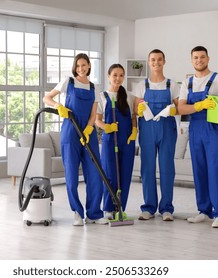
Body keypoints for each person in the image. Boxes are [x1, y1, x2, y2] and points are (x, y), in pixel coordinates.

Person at [43, 53, 108, 226]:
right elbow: (47, 98)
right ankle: (77, 213)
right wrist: (59, 106)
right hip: (70, 131)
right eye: (78, 66)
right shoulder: (68, 82)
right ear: (75, 67)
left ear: (89, 66)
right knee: (71, 173)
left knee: (95, 172)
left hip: (88, 132)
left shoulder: (95, 87)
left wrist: (88, 129)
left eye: (84, 65)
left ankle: (94, 213)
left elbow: (94, 114)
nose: (81, 68)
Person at [178, 46, 218, 228]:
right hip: (195, 129)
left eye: (202, 57)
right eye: (195, 57)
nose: (199, 60)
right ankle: (203, 210)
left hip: (214, 129)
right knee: (200, 170)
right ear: (191, 60)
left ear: (208, 58)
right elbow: (181, 108)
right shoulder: (187, 82)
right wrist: (199, 106)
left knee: (216, 170)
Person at [133, 49, 179, 222]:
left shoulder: (172, 85)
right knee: (147, 168)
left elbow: (179, 107)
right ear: (148, 62)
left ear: (164, 61)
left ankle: (167, 208)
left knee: (167, 168)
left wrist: (173, 110)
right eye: (153, 60)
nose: (156, 62)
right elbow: (135, 109)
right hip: (147, 129)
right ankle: (149, 207)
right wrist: (138, 110)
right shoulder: (141, 85)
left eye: (159, 59)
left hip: (167, 128)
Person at [95, 64, 137, 219]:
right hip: (109, 140)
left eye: (121, 75)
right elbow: (97, 120)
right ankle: (107, 209)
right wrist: (107, 127)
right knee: (110, 175)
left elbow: (133, 116)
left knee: (125, 175)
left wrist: (134, 130)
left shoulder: (129, 96)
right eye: (115, 75)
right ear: (108, 76)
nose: (118, 78)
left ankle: (120, 209)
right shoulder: (101, 96)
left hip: (126, 141)